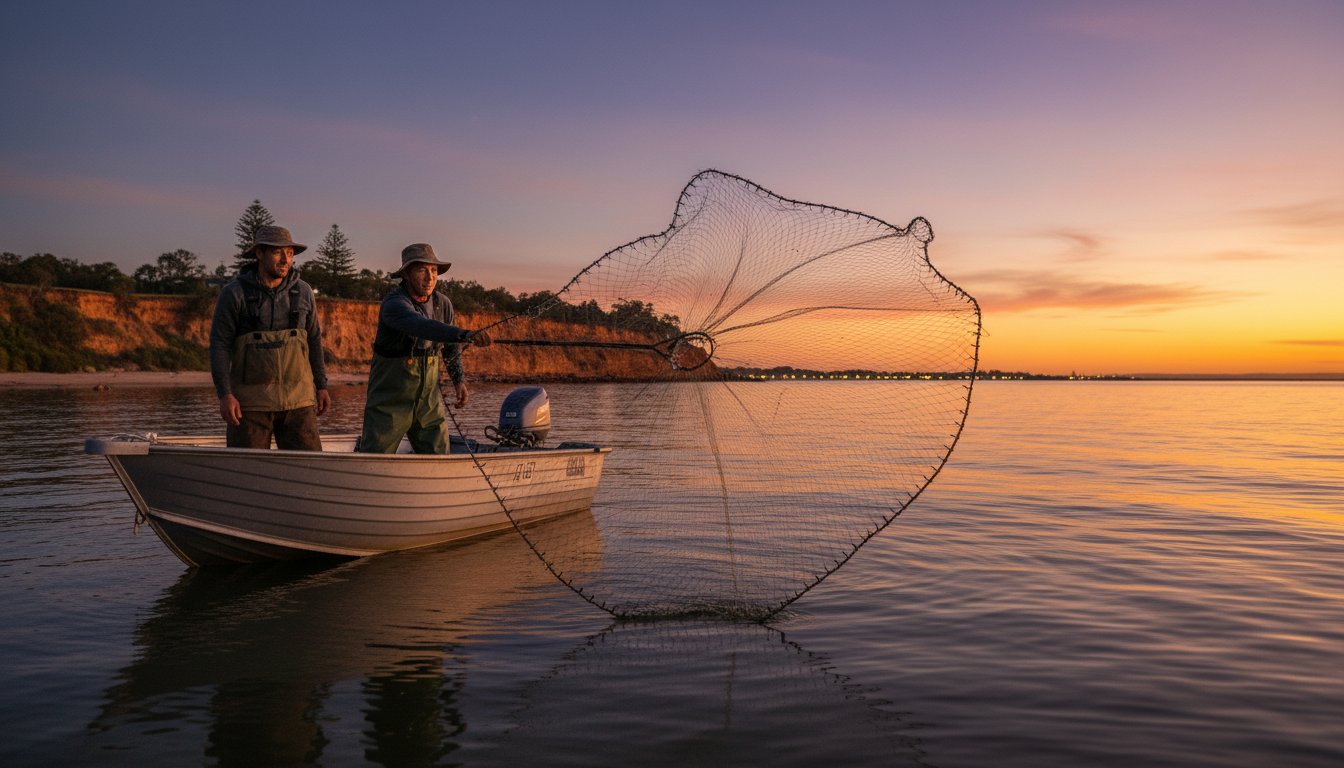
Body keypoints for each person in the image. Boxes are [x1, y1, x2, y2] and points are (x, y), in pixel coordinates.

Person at [356, 243, 491, 454]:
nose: (430, 277)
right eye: (422, 270)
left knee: (439, 455)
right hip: (390, 401)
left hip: (429, 401)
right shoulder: (394, 304)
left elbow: (450, 349)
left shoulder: (443, 304)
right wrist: (466, 334)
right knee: (375, 457)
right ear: (407, 274)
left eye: (434, 271)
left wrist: (459, 381)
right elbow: (421, 326)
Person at [209, 225, 331, 450]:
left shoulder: (304, 292)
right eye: (277, 252)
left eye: (290, 253)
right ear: (259, 254)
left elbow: (314, 341)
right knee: (246, 472)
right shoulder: (234, 294)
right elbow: (220, 345)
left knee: (310, 471)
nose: (286, 259)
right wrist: (225, 394)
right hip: (250, 406)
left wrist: (322, 386)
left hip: (299, 402)